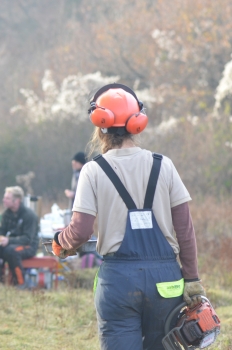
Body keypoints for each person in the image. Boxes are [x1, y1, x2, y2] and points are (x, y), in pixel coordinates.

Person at [52, 83, 205, 349]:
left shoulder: (93, 171)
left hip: (119, 282)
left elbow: (80, 232)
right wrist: (191, 279)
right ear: (138, 121)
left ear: (100, 124)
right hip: (166, 283)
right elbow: (185, 230)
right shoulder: (163, 165)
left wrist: (60, 242)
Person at [0, 186, 38, 287]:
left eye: (7, 198)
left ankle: (20, 283)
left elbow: (28, 239)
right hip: (11, 244)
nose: (4, 200)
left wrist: (9, 241)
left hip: (28, 246)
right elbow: (0, 229)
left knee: (11, 251)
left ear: (16, 201)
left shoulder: (29, 215)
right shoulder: (7, 213)